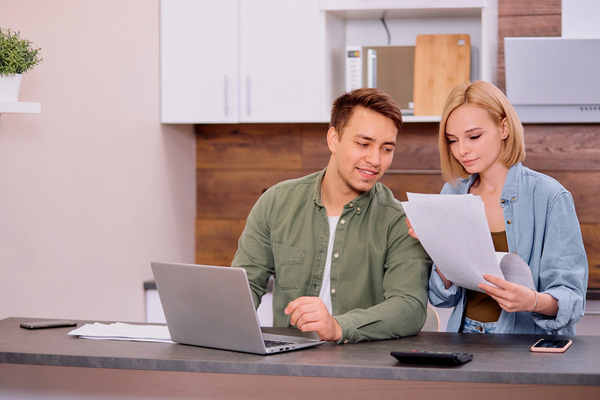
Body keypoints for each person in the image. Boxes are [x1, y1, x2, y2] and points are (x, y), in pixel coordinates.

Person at [231, 88, 432, 343]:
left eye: (387, 148)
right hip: (287, 364)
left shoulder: (399, 221)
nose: (375, 159)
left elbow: (410, 307)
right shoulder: (276, 202)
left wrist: (338, 327)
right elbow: (243, 287)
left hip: (362, 366)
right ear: (333, 139)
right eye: (363, 144)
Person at [410, 80, 588, 334]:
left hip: (525, 340)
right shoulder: (452, 193)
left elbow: (572, 300)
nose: (462, 150)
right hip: (464, 335)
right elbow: (442, 298)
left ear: (504, 128)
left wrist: (532, 301)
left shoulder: (550, 196)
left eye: (474, 136)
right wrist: (437, 243)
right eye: (452, 140)